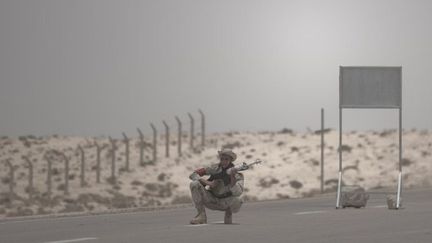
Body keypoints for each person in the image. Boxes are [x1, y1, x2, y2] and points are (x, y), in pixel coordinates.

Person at [189, 148, 244, 224]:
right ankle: (201, 216)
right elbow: (193, 174)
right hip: (212, 199)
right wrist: (208, 183)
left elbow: (238, 192)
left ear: (230, 160)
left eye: (226, 159)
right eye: (222, 159)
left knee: (239, 200)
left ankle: (228, 212)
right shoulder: (214, 168)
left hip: (226, 203)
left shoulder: (238, 175)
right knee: (194, 184)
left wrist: (232, 177)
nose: (224, 162)